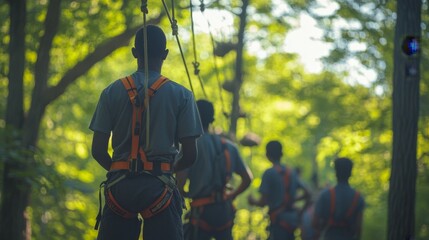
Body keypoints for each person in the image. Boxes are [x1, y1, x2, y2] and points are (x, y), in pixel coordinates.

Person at [89, 25, 203, 240]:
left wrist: (119, 169)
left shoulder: (111, 92)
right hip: (161, 189)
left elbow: (98, 150)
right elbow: (190, 156)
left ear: (134, 53)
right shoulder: (183, 96)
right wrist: (165, 171)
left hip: (119, 189)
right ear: (166, 54)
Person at [176, 99, 253, 240]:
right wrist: (231, 195)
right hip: (224, 211)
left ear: (193, 117)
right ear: (212, 119)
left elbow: (179, 183)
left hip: (201, 213)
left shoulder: (190, 146)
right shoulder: (230, 147)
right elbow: (247, 179)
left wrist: (184, 193)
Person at [248, 140, 310, 240]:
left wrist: (252, 201)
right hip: (292, 220)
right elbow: (307, 194)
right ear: (281, 153)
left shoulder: (269, 173)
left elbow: (263, 202)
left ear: (267, 154)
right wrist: (294, 202)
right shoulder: (292, 172)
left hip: (278, 221)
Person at [312, 157, 365, 240]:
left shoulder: (325, 196)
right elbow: (358, 228)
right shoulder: (358, 198)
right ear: (350, 173)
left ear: (336, 173)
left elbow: (315, 223)